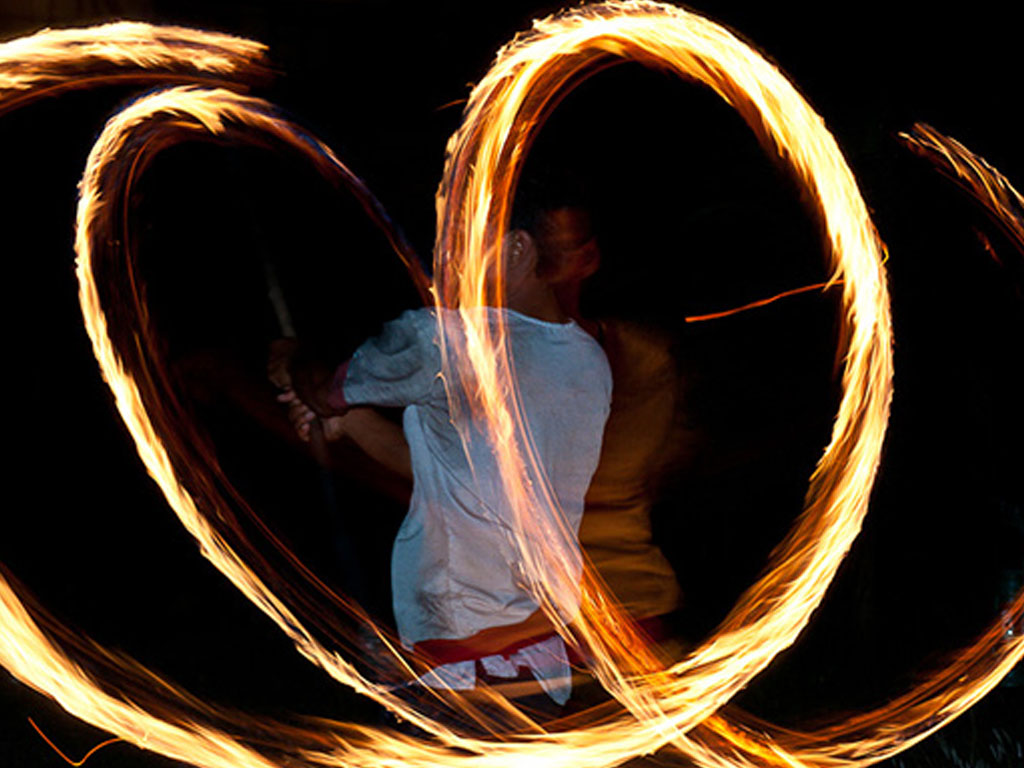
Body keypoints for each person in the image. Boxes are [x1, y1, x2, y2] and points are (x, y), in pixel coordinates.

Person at [270, 206, 612, 708]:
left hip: (468, 663)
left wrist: (292, 359)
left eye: (464, 238)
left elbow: (323, 388)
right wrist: (353, 422)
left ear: (518, 248)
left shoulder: (449, 342)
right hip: (541, 660)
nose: (445, 258)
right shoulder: (586, 359)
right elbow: (465, 473)